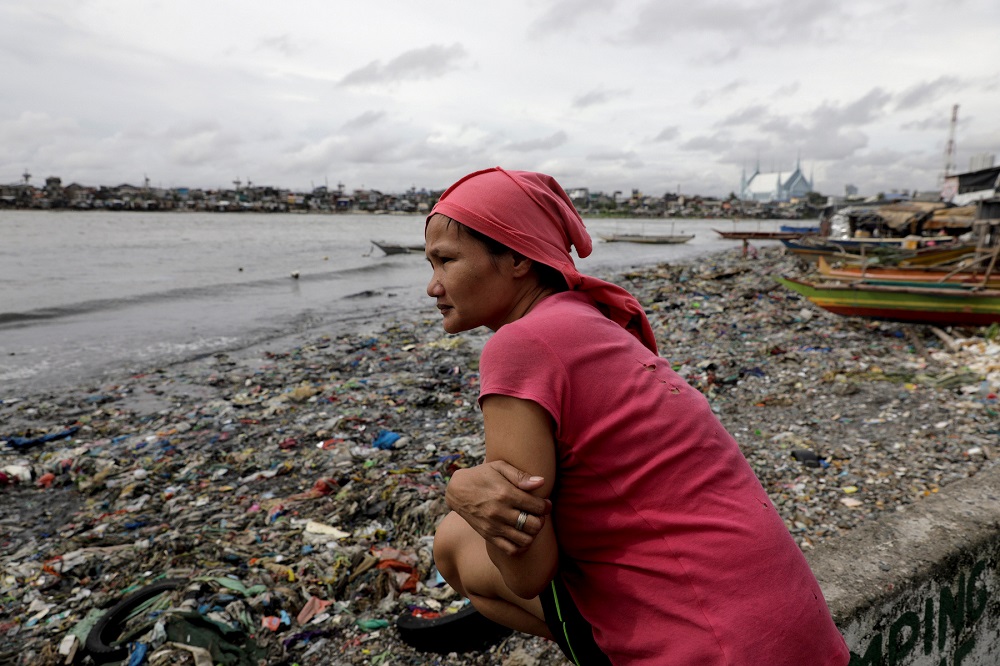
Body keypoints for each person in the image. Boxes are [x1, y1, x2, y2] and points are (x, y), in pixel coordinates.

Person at [424, 167, 850, 665]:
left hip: (714, 649)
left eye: (445, 261)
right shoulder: (593, 321)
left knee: (453, 538)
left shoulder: (519, 346)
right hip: (801, 638)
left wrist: (464, 492)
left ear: (518, 257)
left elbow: (527, 571)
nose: (432, 286)